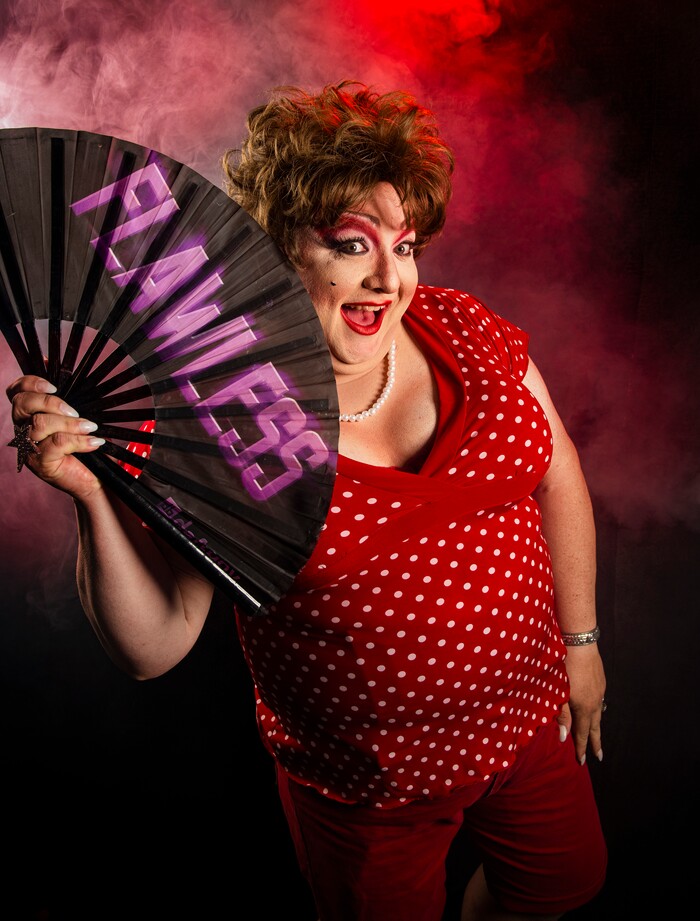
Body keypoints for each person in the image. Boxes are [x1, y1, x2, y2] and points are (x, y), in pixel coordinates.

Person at [5, 82, 607, 920]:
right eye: (350, 245)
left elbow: (557, 468)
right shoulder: (219, 416)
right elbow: (156, 644)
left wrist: (582, 644)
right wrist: (89, 498)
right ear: (280, 246)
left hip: (530, 727)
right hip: (370, 792)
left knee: (562, 887)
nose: (389, 280)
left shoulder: (462, 326)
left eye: (407, 245)